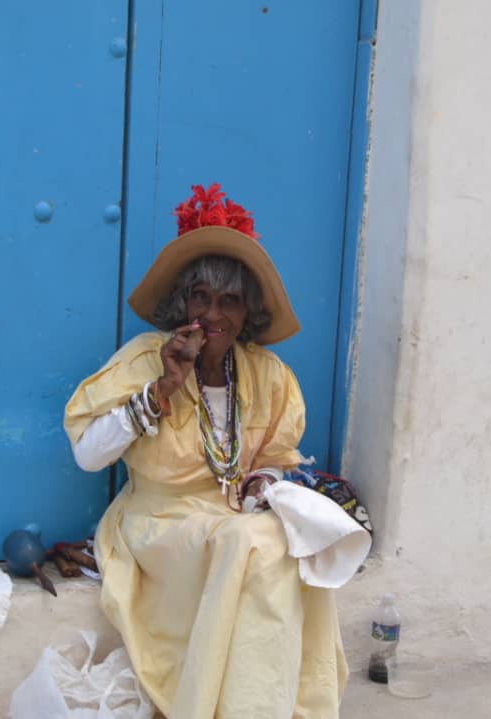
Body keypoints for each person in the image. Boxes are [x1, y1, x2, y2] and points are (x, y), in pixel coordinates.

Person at [64, 184, 348, 718]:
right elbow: (87, 455)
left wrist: (263, 481)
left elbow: (276, 456)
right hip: (157, 523)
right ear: (182, 304)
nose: (213, 315)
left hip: (234, 523)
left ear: (247, 313)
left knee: (275, 543)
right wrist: (160, 392)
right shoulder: (146, 360)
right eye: (201, 298)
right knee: (256, 544)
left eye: (229, 301)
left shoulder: (265, 373)